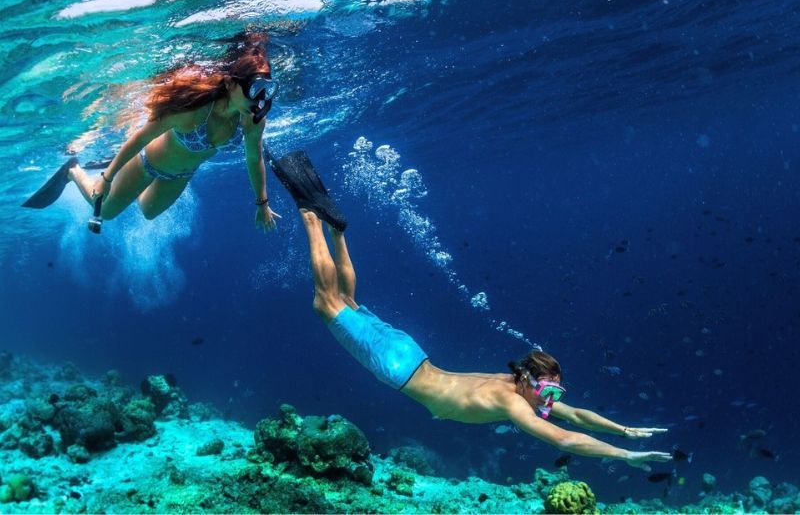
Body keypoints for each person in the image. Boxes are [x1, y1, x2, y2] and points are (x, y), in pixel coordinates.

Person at [268, 150, 673, 470]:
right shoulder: (513, 403)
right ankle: (311, 215)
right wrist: (626, 456)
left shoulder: (514, 384)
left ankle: (338, 233)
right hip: (397, 367)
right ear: (529, 381)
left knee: (352, 303)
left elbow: (578, 416)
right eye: (547, 390)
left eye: (555, 391)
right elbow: (564, 438)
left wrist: (625, 430)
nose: (550, 399)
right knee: (328, 303)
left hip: (411, 353)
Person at [22, 34, 281, 231]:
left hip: (180, 174)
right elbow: (141, 137)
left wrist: (262, 203)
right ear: (230, 83)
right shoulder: (194, 110)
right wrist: (108, 178)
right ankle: (74, 170)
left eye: (267, 90)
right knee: (106, 211)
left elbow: (253, 158)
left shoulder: (252, 121)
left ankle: (120, 171)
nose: (260, 100)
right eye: (255, 89)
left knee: (147, 211)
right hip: (148, 163)